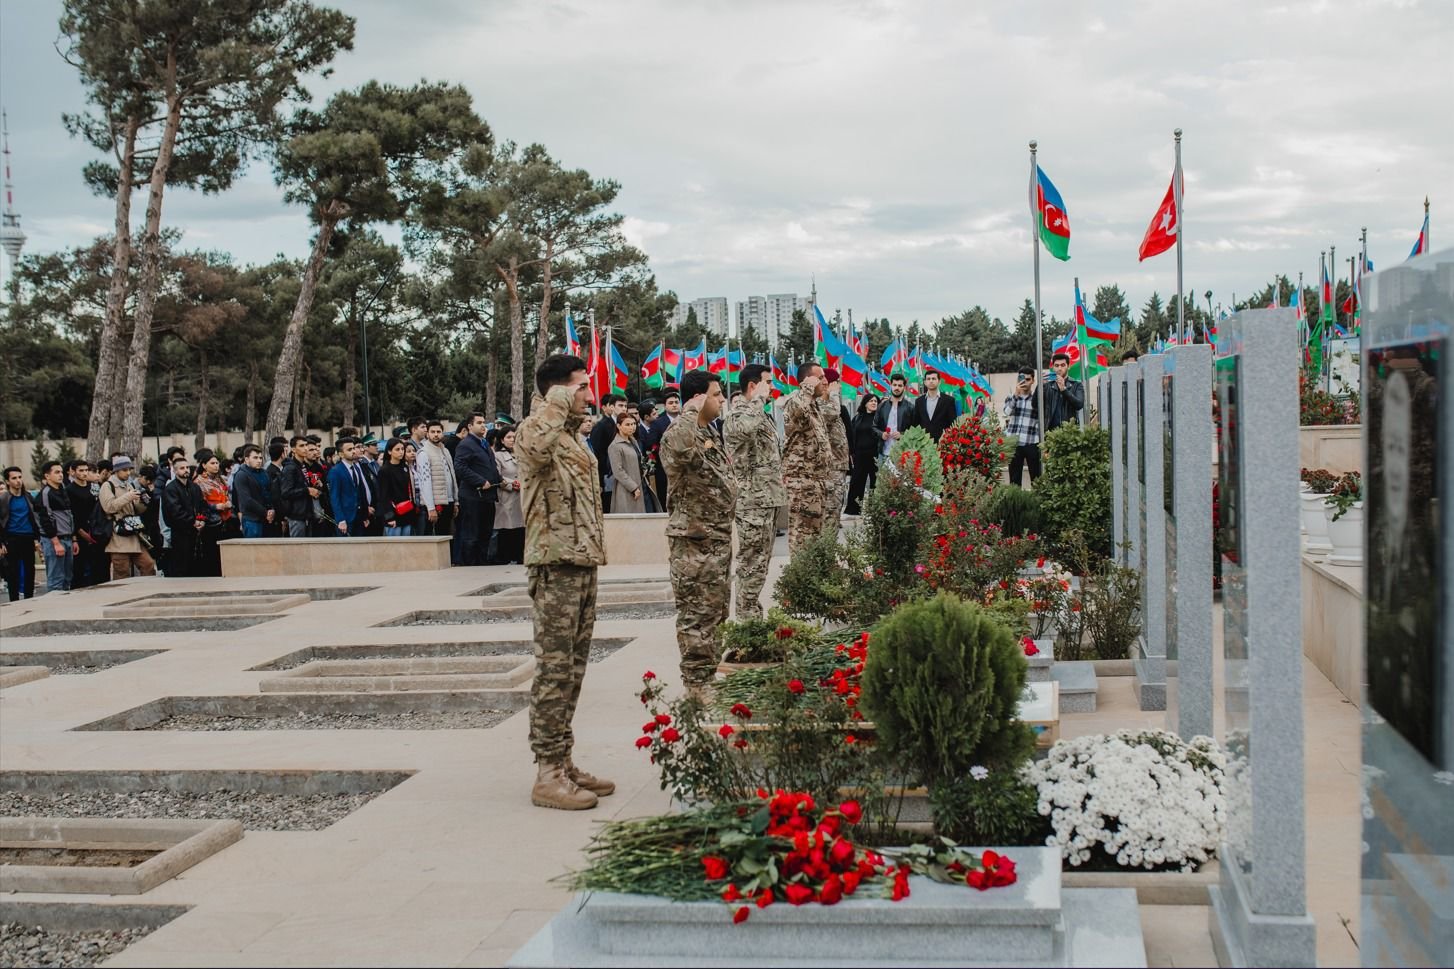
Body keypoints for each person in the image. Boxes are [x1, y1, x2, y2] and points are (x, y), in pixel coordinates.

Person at [516, 353, 611, 811]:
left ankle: (564, 760)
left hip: (580, 561)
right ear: (556, 391)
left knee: (572, 670)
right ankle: (547, 774)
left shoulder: (571, 438)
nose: (589, 397)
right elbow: (534, 450)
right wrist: (556, 401)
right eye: (581, 387)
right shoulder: (535, 430)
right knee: (553, 671)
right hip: (554, 564)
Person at [660, 369, 736, 692]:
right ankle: (696, 687)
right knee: (696, 617)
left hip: (715, 540)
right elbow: (678, 448)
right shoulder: (679, 432)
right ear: (699, 397)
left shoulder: (709, 433)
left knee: (715, 614)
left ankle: (708, 679)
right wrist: (691, 407)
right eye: (716, 394)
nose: (721, 400)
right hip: (693, 545)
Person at [724, 363, 785, 618]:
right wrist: (759, 398)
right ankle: (747, 621)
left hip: (766, 499)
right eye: (767, 382)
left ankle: (752, 616)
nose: (771, 388)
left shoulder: (761, 413)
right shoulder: (740, 413)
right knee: (751, 563)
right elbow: (743, 430)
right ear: (753, 385)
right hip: (751, 503)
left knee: (760, 564)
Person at [782, 362, 832, 553]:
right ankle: (800, 581)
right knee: (802, 540)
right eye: (820, 378)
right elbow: (798, 414)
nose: (825, 381)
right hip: (803, 484)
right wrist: (808, 387)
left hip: (815, 483)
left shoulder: (813, 405)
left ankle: (812, 580)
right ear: (807, 381)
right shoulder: (796, 400)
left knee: (814, 540)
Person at [454, 412, 503, 566]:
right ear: (469, 426)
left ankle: (481, 564)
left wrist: (499, 480)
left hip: (487, 496)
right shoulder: (466, 444)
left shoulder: (483, 443)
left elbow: (489, 466)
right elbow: (460, 467)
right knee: (471, 534)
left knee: (485, 533)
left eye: (484, 422)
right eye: (479, 423)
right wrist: (480, 481)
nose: (483, 426)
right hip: (473, 496)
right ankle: (470, 565)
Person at [98, 456, 158, 580]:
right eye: (124, 470)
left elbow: (137, 509)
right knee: (122, 572)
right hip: (118, 535)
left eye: (129, 469)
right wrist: (128, 497)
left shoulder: (129, 486)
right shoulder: (107, 486)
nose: (128, 473)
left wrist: (142, 501)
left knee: (148, 565)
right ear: (116, 470)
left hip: (133, 533)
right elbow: (109, 507)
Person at [0, 466, 42, 600]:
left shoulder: (28, 497)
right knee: (13, 573)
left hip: (28, 537)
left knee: (30, 571)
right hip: (12, 538)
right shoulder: (4, 499)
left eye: (19, 477)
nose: (18, 481)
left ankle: (29, 600)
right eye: (14, 478)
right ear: (7, 481)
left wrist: (37, 538)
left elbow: (36, 516)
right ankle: (14, 601)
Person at [37, 461, 79, 593]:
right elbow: (45, 520)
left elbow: (69, 517)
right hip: (54, 540)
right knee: (56, 580)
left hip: (67, 539)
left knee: (67, 578)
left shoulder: (62, 490)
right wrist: (55, 542)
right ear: (47, 476)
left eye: (61, 472)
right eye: (56, 472)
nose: (61, 475)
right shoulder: (45, 493)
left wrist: (73, 539)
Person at [161, 456, 203, 577]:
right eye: (182, 468)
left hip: (195, 531)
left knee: (195, 565)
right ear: (175, 470)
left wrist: (202, 519)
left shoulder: (194, 487)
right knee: (181, 565)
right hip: (180, 532)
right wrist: (192, 521)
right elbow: (175, 511)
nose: (186, 470)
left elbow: (201, 504)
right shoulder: (171, 489)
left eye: (187, 467)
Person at [418, 420, 459, 540]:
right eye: (432, 432)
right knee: (436, 537)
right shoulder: (424, 453)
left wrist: (455, 501)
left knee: (448, 536)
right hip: (436, 504)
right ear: (427, 434)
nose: (436, 434)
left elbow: (452, 477)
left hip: (449, 501)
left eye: (438, 431)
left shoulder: (445, 451)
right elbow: (425, 483)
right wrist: (431, 508)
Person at [1003, 366, 1044, 487]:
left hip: (1031, 441)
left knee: (1036, 478)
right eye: (1021, 379)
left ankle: (1036, 503)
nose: (1024, 382)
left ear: (1033, 380)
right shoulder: (1011, 396)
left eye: (1027, 379)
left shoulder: (1037, 399)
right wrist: (1016, 394)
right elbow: (1007, 412)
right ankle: (1016, 504)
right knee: (1014, 480)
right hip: (1014, 442)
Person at [192, 449, 230, 576]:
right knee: (211, 554)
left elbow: (226, 494)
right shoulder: (199, 482)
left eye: (217, 463)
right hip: (210, 522)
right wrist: (215, 506)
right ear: (204, 465)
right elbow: (200, 503)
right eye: (212, 463)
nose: (216, 466)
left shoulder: (221, 479)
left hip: (224, 519)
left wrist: (227, 503)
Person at [490, 428, 525, 564]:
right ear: (502, 440)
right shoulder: (498, 456)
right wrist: (512, 484)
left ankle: (519, 556)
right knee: (507, 528)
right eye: (509, 437)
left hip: (522, 496)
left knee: (520, 528)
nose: (512, 440)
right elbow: (497, 476)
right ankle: (505, 558)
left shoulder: (522, 454)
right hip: (507, 496)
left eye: (514, 437)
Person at [66, 460, 102, 587]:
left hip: (95, 529)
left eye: (86, 470)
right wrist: (80, 532)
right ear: (73, 472)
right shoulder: (70, 490)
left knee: (96, 566)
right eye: (81, 470)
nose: (84, 473)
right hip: (80, 531)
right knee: (79, 567)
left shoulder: (94, 487)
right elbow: (72, 514)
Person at [326, 437, 372, 537]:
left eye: (354, 448)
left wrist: (365, 515)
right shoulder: (336, 471)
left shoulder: (356, 468)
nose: (354, 451)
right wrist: (340, 519)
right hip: (346, 518)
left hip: (359, 517)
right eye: (349, 449)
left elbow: (361, 492)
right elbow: (334, 497)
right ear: (341, 454)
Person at [846, 395, 883, 515]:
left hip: (875, 454)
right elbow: (851, 434)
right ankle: (854, 508)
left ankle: (874, 509)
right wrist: (851, 452)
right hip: (860, 454)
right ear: (865, 403)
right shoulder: (858, 418)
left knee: (875, 482)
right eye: (871, 401)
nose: (873, 403)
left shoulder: (879, 418)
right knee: (857, 481)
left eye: (875, 401)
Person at [589, 394, 626, 512]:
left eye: (625, 406)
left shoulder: (628, 424)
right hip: (608, 475)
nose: (623, 409)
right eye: (620, 406)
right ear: (611, 407)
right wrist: (600, 479)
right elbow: (597, 453)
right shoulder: (602, 426)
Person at [607, 414, 648, 515]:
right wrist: (633, 487)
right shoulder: (615, 446)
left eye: (634, 424)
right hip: (626, 489)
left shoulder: (633, 441)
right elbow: (618, 471)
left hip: (641, 483)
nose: (632, 427)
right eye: (628, 424)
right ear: (619, 426)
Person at [232, 445, 275, 539]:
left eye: (260, 458)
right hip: (251, 520)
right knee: (253, 552)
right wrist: (265, 512)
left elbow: (270, 493)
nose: (259, 460)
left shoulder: (264, 473)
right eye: (255, 458)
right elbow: (246, 500)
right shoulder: (241, 475)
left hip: (267, 519)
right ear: (246, 459)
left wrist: (271, 510)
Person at [378, 437, 418, 537]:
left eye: (402, 449)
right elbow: (383, 496)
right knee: (394, 548)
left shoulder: (404, 467)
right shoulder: (384, 470)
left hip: (407, 512)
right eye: (397, 449)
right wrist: (389, 517)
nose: (401, 452)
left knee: (406, 546)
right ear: (389, 451)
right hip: (394, 514)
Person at [279, 436, 318, 537]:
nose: (305, 448)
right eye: (301, 446)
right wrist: (306, 490)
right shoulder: (290, 468)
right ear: (293, 449)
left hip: (306, 514)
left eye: (306, 445)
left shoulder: (302, 465)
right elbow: (286, 492)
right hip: (296, 515)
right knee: (297, 549)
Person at [646, 391, 679, 510]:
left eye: (676, 402)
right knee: (666, 502)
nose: (674, 405)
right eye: (671, 403)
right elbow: (651, 444)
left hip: (684, 469)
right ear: (665, 406)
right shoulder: (658, 423)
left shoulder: (686, 419)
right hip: (665, 470)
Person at [912, 368, 959, 442]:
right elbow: (915, 423)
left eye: (933, 379)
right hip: (923, 443)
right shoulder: (919, 401)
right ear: (925, 382)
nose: (931, 381)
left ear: (939, 381)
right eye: (928, 379)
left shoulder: (949, 400)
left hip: (943, 443)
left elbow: (953, 424)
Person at [1043, 351, 1085, 433]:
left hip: (1070, 433)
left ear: (1068, 366)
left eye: (1062, 365)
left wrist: (1064, 390)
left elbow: (1079, 405)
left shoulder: (1076, 385)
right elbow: (1035, 404)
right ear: (1053, 367)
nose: (1059, 368)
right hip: (1050, 433)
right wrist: (1040, 386)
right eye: (1056, 365)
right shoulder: (1048, 385)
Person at [874, 372, 915, 456]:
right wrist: (881, 434)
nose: (897, 388)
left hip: (903, 454)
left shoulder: (910, 407)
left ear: (904, 387)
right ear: (891, 386)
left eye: (900, 386)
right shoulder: (882, 406)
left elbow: (915, 431)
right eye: (895, 385)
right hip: (884, 453)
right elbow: (874, 427)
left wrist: (902, 435)